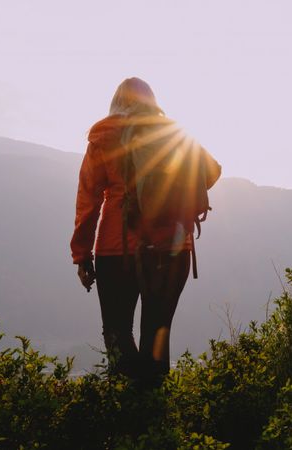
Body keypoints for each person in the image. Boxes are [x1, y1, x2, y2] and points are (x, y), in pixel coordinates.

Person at [70, 77, 220, 388]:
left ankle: (127, 414)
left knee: (117, 331)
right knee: (157, 331)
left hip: (117, 249)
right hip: (173, 247)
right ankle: (153, 415)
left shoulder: (104, 137)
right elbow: (212, 170)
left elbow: (88, 201)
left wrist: (82, 256)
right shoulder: (172, 133)